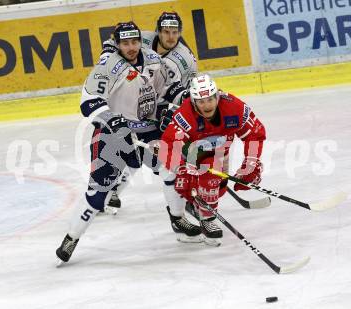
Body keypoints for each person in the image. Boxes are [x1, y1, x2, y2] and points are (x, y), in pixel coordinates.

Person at [56, 21, 201, 264]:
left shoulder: (153, 60)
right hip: (112, 136)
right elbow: (89, 100)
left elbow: (164, 90)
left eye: (134, 42)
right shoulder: (108, 66)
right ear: (117, 44)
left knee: (173, 167)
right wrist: (114, 122)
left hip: (146, 131)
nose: (132, 47)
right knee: (98, 193)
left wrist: (177, 101)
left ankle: (177, 219)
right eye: (125, 43)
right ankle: (72, 237)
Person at [101, 11, 198, 210]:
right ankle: (111, 192)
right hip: (137, 98)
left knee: (163, 150)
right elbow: (111, 44)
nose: (170, 37)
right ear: (158, 31)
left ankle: (186, 191)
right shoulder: (142, 38)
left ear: (180, 33)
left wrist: (170, 111)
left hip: (164, 102)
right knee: (134, 148)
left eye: (175, 32)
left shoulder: (184, 59)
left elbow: (180, 92)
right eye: (165, 31)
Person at [158, 74, 266, 246]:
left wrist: (250, 164)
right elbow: (167, 147)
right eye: (201, 102)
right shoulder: (185, 115)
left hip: (218, 149)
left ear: (217, 96)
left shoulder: (233, 107)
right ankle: (182, 218)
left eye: (210, 99)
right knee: (184, 180)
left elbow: (254, 134)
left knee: (218, 185)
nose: (207, 105)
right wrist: (181, 169)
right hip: (189, 150)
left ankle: (201, 209)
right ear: (194, 102)